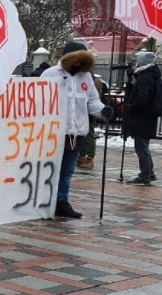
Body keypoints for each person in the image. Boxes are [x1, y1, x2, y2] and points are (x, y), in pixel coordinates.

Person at [41, 41, 113, 218]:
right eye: (76, 60)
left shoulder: (86, 78)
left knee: (67, 171)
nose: (78, 64)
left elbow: (92, 102)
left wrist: (103, 110)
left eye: (83, 60)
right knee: (49, 168)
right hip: (53, 132)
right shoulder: (50, 74)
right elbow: (37, 101)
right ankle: (42, 200)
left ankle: (61, 201)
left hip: (76, 132)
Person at [124, 51, 160, 185]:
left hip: (142, 117)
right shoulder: (151, 75)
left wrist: (131, 107)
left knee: (141, 148)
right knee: (144, 146)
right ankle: (149, 173)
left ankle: (145, 175)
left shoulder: (144, 77)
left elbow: (142, 97)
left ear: (142, 62)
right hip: (148, 117)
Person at [77, 75, 108, 170]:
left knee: (89, 135)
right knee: (82, 135)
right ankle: (81, 157)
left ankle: (89, 158)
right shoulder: (85, 78)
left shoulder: (92, 80)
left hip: (89, 111)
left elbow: (96, 97)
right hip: (82, 110)